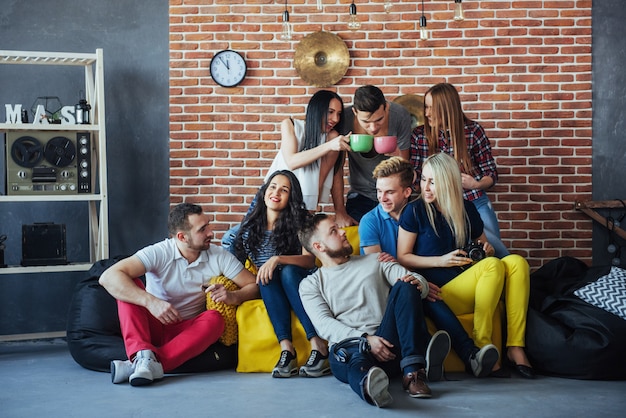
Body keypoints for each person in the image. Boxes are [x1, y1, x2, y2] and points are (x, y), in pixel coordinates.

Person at [397, 153, 535, 379]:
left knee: (517, 262)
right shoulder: (415, 211)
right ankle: (481, 345)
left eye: (433, 181)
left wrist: (487, 249)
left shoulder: (467, 209)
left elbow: (483, 244)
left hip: (473, 284)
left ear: (449, 182)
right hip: (441, 293)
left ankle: (515, 347)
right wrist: (440, 261)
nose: (426, 187)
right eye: (423, 179)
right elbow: (403, 257)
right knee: (493, 266)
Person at [359, 157, 499, 378]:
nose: (381, 198)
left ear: (406, 192)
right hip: (392, 287)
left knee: (427, 290)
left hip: (419, 280)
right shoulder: (370, 221)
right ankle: (465, 353)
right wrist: (418, 280)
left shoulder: (421, 212)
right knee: (421, 290)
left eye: (389, 192)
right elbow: (378, 270)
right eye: (378, 191)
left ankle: (445, 356)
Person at [298, 213, 451, 408]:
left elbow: (409, 278)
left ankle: (413, 374)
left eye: (339, 227)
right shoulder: (311, 284)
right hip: (350, 347)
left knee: (404, 285)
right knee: (355, 360)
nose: (343, 232)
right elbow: (324, 325)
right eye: (334, 231)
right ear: (319, 247)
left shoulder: (375, 260)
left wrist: (420, 283)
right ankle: (371, 386)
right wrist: (365, 340)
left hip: (388, 342)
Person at [99, 203, 259, 386]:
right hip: (152, 326)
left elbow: (253, 285)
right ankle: (143, 355)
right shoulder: (159, 252)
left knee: (215, 319)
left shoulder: (218, 255)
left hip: (187, 332)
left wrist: (234, 296)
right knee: (129, 286)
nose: (211, 233)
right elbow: (108, 277)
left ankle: (140, 364)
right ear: (182, 237)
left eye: (208, 225)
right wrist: (151, 302)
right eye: (203, 229)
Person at [222, 90, 353, 250]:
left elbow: (330, 175)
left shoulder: (332, 138)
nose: (335, 119)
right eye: (330, 112)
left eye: (339, 114)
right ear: (316, 109)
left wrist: (339, 210)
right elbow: (291, 161)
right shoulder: (291, 125)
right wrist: (329, 146)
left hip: (299, 205)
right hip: (270, 198)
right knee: (234, 238)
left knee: (284, 249)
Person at [232, 170, 330, 378]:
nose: (276, 192)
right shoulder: (249, 227)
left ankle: (318, 345)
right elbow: (233, 263)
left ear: (291, 197)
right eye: (273, 186)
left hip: (300, 281)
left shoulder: (301, 222)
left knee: (285, 271)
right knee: (266, 277)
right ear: (265, 191)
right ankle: (287, 350)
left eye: (284, 190)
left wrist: (278, 258)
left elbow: (309, 260)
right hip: (271, 288)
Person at [409, 82, 509, 258]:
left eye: (432, 108)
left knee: (495, 251)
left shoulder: (473, 131)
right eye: (426, 107)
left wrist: (476, 184)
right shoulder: (419, 135)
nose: (426, 113)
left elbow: (491, 173)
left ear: (447, 108)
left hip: (474, 201)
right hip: (436, 208)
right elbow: (416, 181)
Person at [336, 85, 412, 223]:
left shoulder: (400, 116)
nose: (373, 128)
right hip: (360, 195)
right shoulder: (344, 119)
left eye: (379, 120)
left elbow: (405, 168)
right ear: (354, 112)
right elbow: (337, 170)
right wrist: (340, 211)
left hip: (394, 194)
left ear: (386, 107)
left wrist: (398, 154)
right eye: (366, 122)